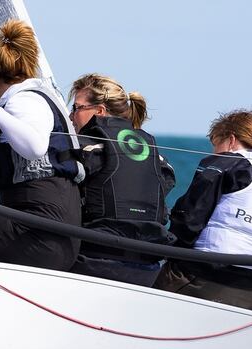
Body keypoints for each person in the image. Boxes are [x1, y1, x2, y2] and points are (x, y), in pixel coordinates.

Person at [0, 19, 83, 271]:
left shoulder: (23, 101)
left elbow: (34, 147)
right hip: (54, 232)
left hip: (38, 233)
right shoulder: (44, 97)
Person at [153, 110, 252, 310]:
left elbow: (190, 219)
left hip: (205, 274)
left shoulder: (228, 161)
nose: (214, 153)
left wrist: (163, 247)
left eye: (215, 145)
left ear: (230, 140)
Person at [65, 73, 175, 286]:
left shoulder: (85, 147)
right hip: (147, 270)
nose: (71, 117)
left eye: (76, 108)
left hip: (94, 263)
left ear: (100, 111)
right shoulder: (158, 158)